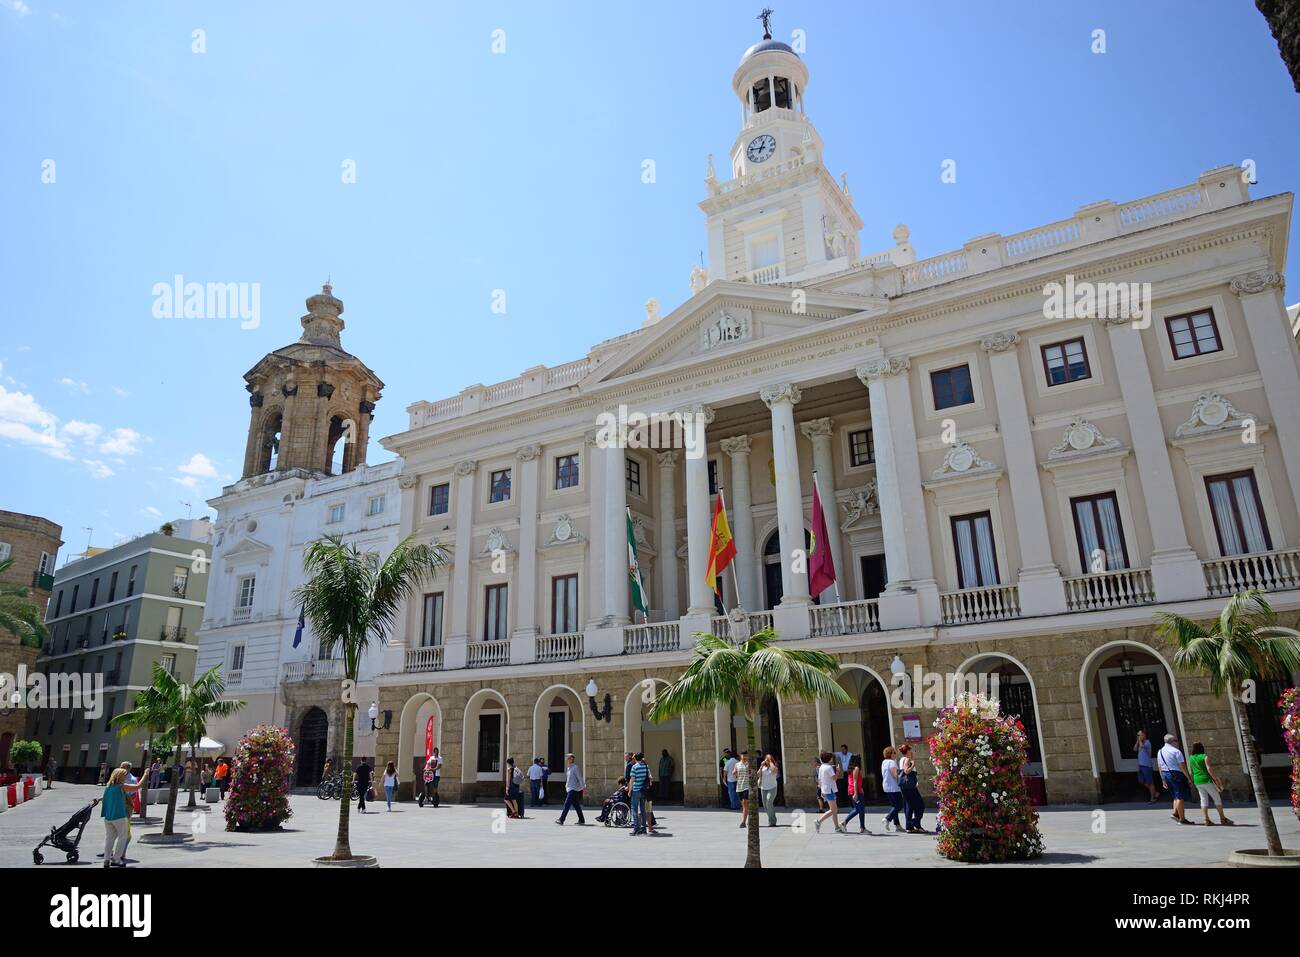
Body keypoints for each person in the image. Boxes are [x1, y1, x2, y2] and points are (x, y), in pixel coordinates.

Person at [100, 768, 146, 867]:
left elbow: (104, 800)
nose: (126, 777)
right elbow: (138, 786)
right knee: (123, 837)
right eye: (124, 775)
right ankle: (116, 859)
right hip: (119, 816)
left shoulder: (108, 787)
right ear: (120, 776)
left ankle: (106, 860)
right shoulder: (121, 787)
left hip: (108, 817)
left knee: (109, 839)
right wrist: (145, 774)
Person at [1188, 742, 1234, 826]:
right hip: (1207, 780)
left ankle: (1206, 819)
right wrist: (1215, 779)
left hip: (1197, 781)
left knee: (1203, 799)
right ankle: (1223, 818)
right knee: (1217, 798)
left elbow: (1191, 771)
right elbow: (1209, 769)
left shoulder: (1191, 758)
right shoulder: (1205, 757)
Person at [1157, 733, 1193, 824]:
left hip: (1166, 774)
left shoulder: (1160, 751)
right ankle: (1182, 819)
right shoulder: (1176, 751)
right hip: (1176, 774)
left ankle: (1176, 814)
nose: (1176, 742)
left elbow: (1160, 767)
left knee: (1175, 796)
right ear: (1172, 741)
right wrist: (1188, 777)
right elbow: (1182, 766)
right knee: (1180, 797)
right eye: (1175, 740)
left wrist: (1163, 779)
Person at [898, 744, 925, 833]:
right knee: (920, 805)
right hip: (910, 787)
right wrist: (913, 764)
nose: (912, 752)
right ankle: (914, 822)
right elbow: (906, 771)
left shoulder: (902, 759)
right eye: (911, 750)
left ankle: (909, 827)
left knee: (909, 806)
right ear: (908, 751)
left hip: (905, 786)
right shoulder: (907, 759)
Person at [814, 751, 843, 833]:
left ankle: (837, 827)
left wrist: (822, 791)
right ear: (829, 759)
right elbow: (834, 778)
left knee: (834, 809)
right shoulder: (829, 767)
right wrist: (838, 771)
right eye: (831, 758)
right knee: (833, 810)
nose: (831, 759)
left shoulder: (821, 767)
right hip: (830, 790)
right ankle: (818, 821)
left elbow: (820, 780)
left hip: (826, 790)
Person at [556, 753, 586, 825]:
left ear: (572, 759)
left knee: (567, 804)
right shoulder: (569, 768)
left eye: (568, 757)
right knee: (576, 806)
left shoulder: (575, 768)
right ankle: (581, 820)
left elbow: (580, 778)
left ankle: (561, 819)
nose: (566, 759)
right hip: (569, 789)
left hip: (573, 789)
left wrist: (583, 788)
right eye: (566, 757)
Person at [627, 752, 652, 835]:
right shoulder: (646, 766)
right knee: (643, 810)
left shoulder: (634, 767)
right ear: (642, 758)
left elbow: (632, 780)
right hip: (644, 791)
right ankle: (644, 828)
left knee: (634, 809)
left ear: (636, 759)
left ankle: (636, 828)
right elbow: (649, 778)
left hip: (636, 790)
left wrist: (630, 791)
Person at [842, 756, 868, 833]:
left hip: (853, 791)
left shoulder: (851, 769)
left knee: (861, 810)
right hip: (856, 791)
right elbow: (855, 781)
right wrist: (856, 793)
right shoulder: (856, 768)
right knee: (858, 810)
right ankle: (844, 822)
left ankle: (862, 828)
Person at [881, 746, 904, 832]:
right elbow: (896, 775)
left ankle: (897, 825)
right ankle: (887, 818)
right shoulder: (892, 762)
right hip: (893, 787)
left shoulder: (884, 762)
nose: (895, 754)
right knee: (899, 806)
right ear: (890, 754)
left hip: (887, 786)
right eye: (894, 752)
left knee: (894, 806)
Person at [1134, 730, 1158, 803]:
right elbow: (1134, 749)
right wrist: (1137, 741)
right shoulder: (1139, 742)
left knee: (1150, 782)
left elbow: (1142, 746)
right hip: (1141, 765)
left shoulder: (1147, 742)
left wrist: (1140, 740)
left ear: (1144, 735)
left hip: (1147, 766)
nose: (1138, 736)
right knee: (1141, 781)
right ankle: (1155, 793)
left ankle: (1153, 798)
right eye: (1137, 735)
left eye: (1140, 735)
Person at [758, 754, 780, 827]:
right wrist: (761, 767)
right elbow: (758, 775)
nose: (767, 761)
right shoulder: (763, 767)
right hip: (763, 788)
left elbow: (774, 771)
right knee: (765, 806)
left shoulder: (774, 766)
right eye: (766, 759)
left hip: (772, 787)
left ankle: (772, 820)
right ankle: (771, 819)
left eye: (768, 759)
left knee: (768, 802)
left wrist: (770, 762)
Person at [734, 750, 752, 829]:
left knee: (745, 803)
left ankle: (743, 822)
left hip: (747, 786)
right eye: (743, 755)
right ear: (741, 756)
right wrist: (734, 772)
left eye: (746, 756)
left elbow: (752, 773)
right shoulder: (737, 764)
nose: (745, 757)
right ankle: (748, 818)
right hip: (739, 786)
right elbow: (734, 772)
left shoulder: (749, 764)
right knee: (744, 805)